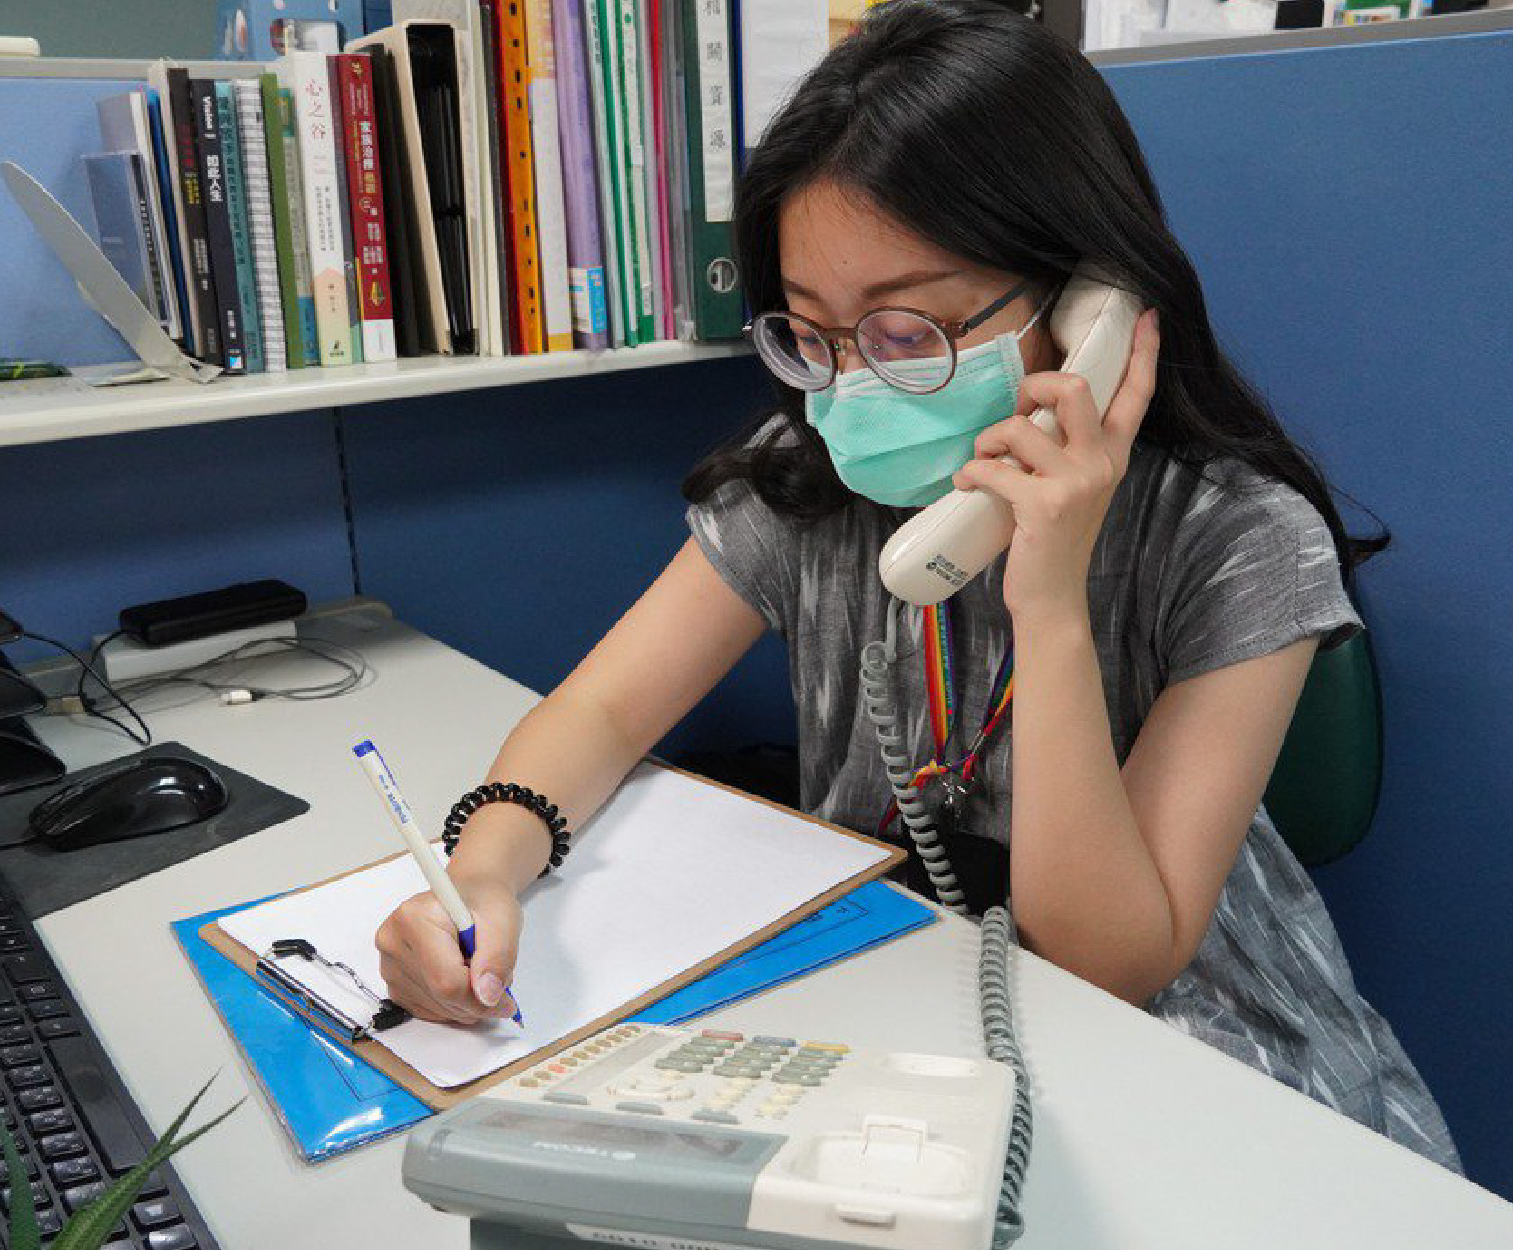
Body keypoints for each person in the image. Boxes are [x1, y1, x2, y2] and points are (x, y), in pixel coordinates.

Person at [375, 0, 1458, 1169]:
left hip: (1210, 1070)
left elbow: (1107, 960)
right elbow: (598, 711)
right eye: (813, 333)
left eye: (907, 330)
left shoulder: (1237, 535)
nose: (853, 386)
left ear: (1083, 305)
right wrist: (483, 872)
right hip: (911, 1038)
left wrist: (1044, 602)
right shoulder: (803, 486)